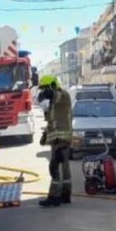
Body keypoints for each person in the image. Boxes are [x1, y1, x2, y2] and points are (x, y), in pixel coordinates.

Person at [36, 74, 73, 207]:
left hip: (62, 140)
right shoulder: (53, 103)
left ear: (52, 85)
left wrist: (47, 94)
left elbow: (55, 95)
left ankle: (54, 197)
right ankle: (65, 195)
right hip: (57, 140)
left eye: (45, 88)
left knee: (54, 167)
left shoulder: (63, 95)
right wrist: (45, 135)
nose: (43, 91)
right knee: (64, 168)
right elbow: (52, 122)